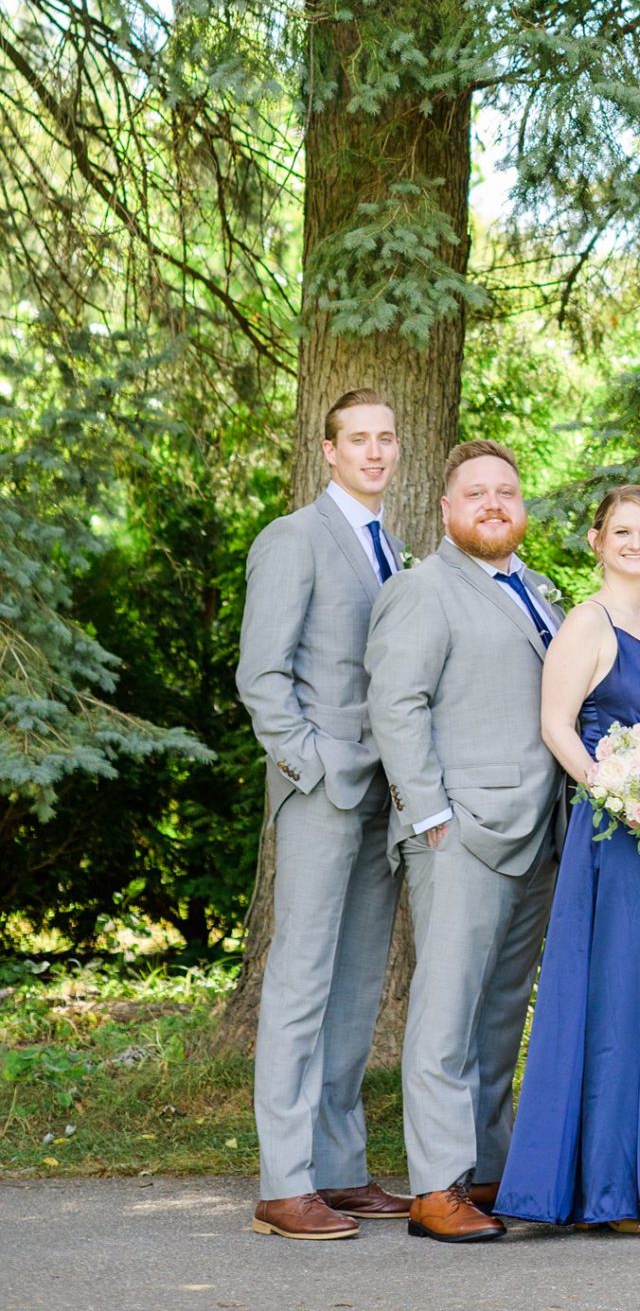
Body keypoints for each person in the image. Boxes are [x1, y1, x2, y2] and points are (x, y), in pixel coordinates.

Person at [365, 439, 565, 1243]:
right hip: (460, 832)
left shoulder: (538, 593)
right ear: (447, 510)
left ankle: (488, 1166)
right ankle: (436, 1187)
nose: (493, 503)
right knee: (447, 1012)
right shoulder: (421, 590)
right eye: (476, 493)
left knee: (499, 1013)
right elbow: (397, 705)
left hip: (538, 830)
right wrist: (430, 814)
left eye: (506, 492)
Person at [236, 389, 408, 1242]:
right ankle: (283, 1181)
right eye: (358, 440)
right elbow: (261, 677)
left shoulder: (395, 549)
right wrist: (312, 765)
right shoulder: (293, 539)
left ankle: (339, 1170)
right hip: (323, 790)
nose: (374, 452)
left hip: (387, 795)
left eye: (385, 439)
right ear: (329, 450)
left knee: (357, 987)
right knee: (300, 982)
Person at [498, 486, 640, 1233]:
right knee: (607, 1000)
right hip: (611, 835)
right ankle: (601, 1189)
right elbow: (556, 725)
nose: (635, 542)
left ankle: (635, 1175)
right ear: (596, 541)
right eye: (621, 530)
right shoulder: (589, 621)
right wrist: (616, 791)